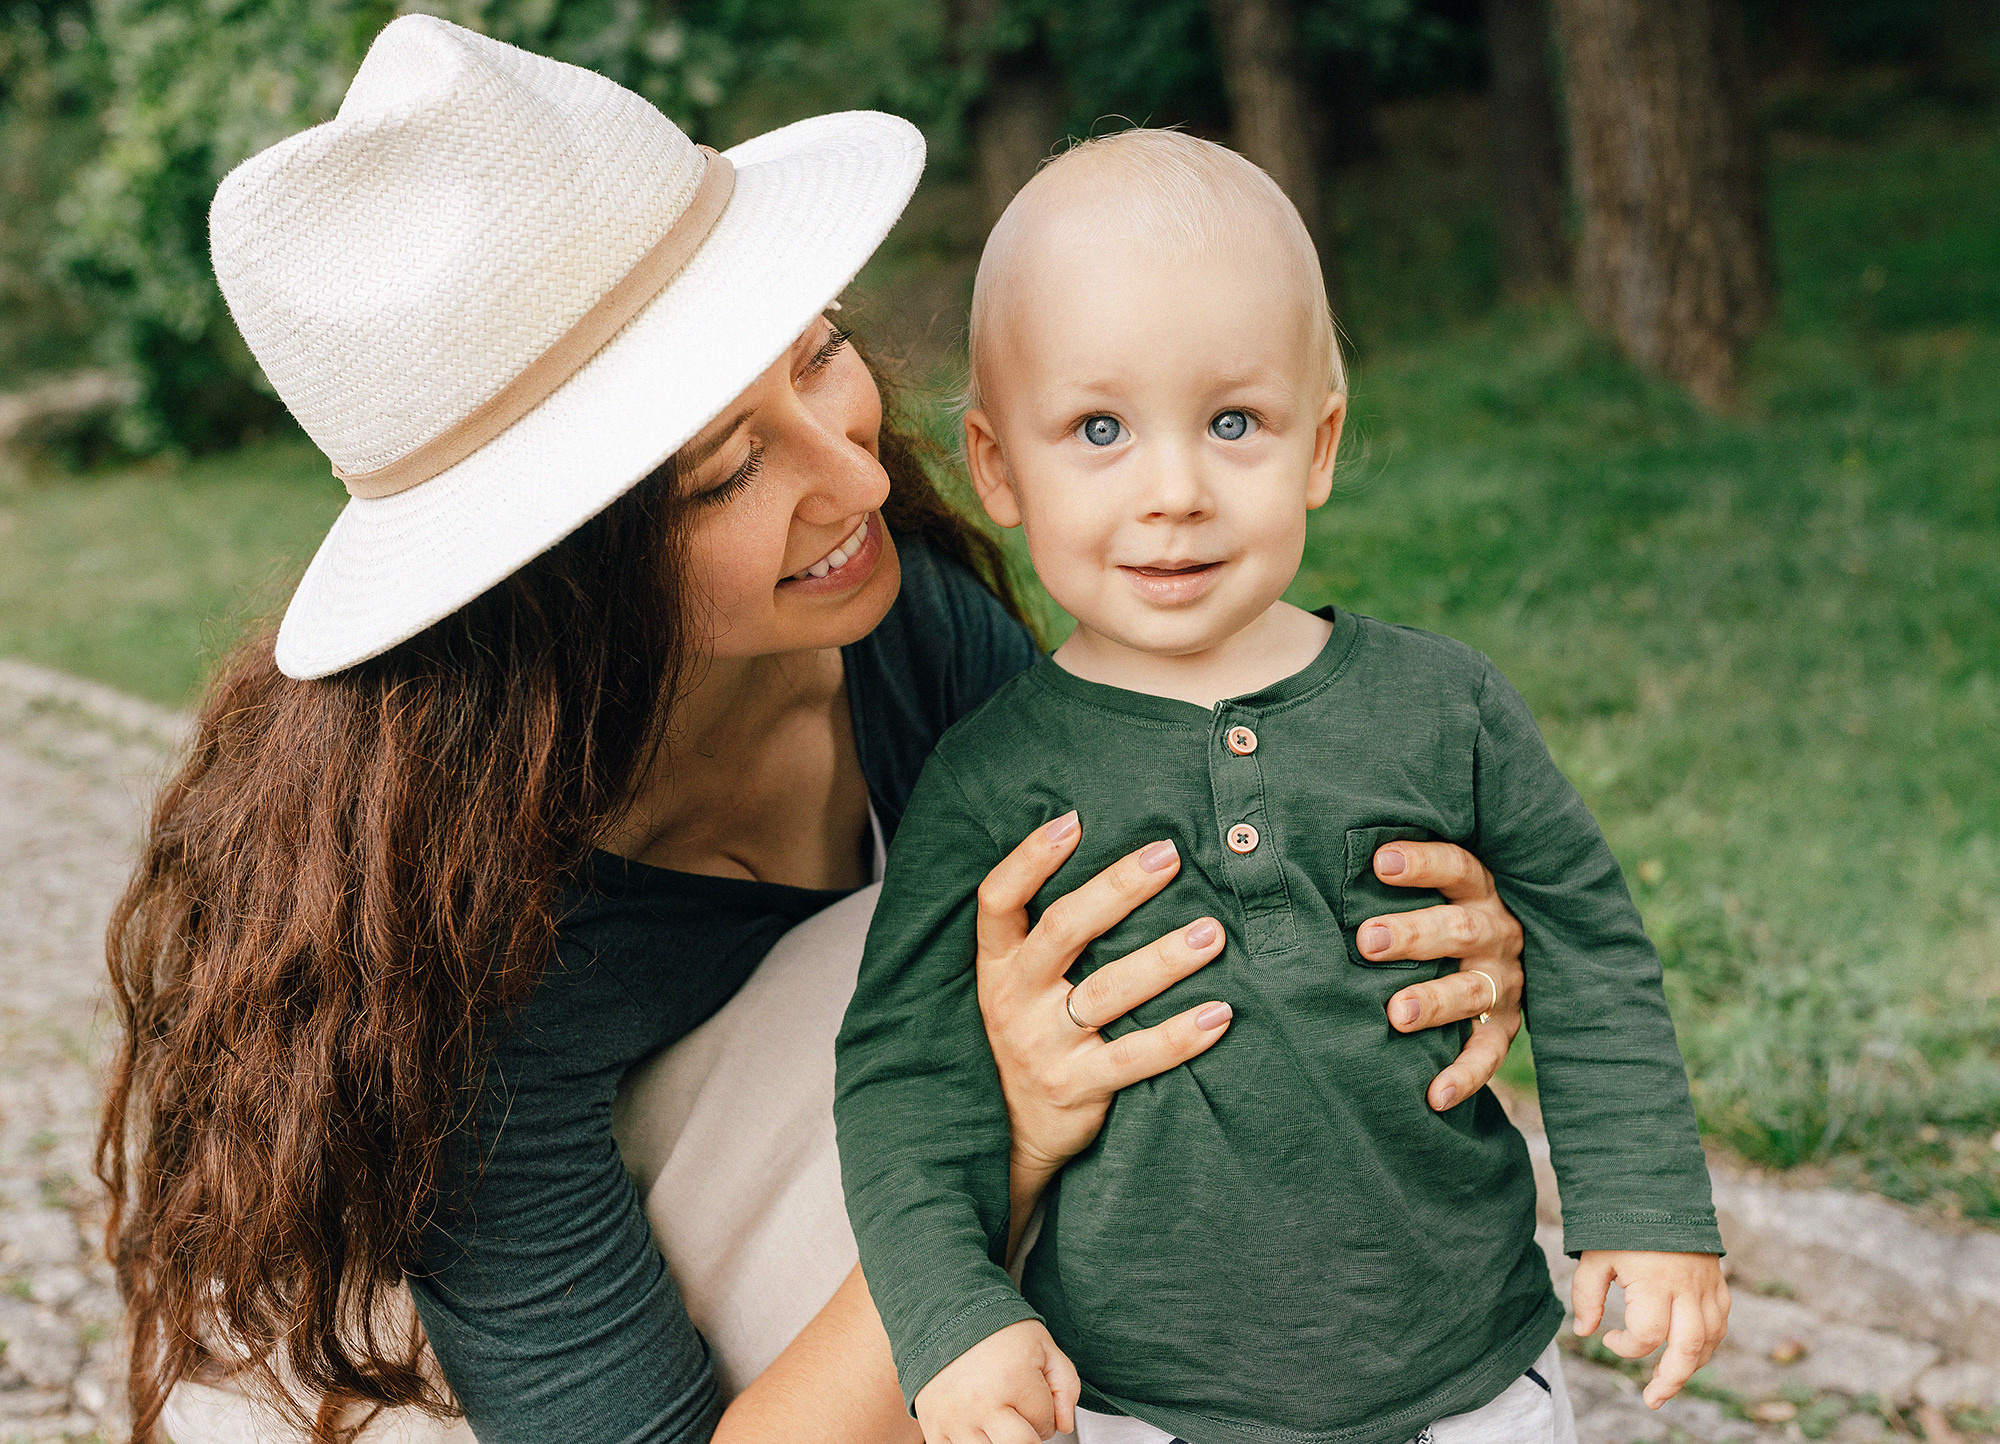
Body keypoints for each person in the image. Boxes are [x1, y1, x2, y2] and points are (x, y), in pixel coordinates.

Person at [98, 21, 1535, 1444]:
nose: (853, 467)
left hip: (829, 1295)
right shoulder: (455, 969)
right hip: (456, 1392)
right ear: (560, 589)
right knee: (950, 991)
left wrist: (1406, 918)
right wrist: (1011, 1141)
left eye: (822, 351)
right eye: (727, 473)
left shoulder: (899, 634)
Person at [833, 130, 1731, 1444]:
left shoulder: (1442, 706)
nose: (1177, 493)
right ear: (997, 467)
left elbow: (1589, 939)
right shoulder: (989, 777)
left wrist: (1646, 1205)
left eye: (1233, 422)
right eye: (1099, 429)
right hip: (1144, 1401)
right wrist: (953, 1314)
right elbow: (903, 1073)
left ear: (1319, 446)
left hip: (1466, 1377)